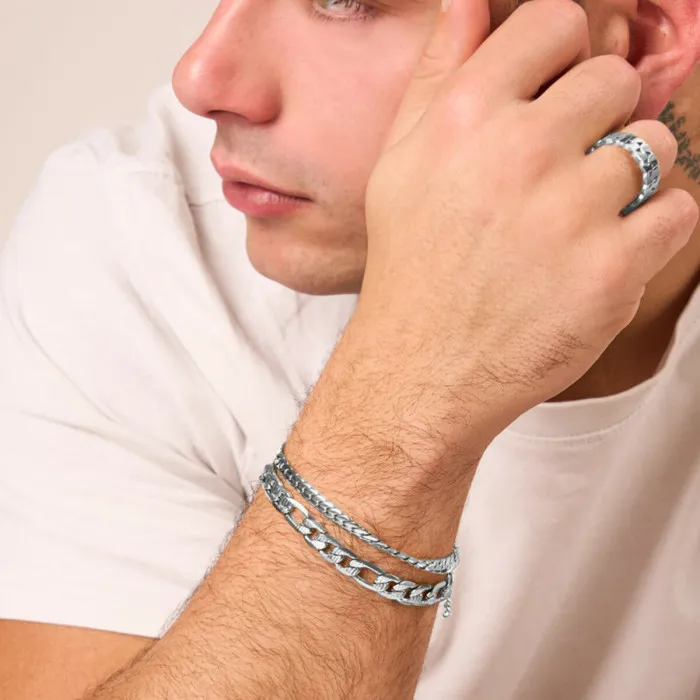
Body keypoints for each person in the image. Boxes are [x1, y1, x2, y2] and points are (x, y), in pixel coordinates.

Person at [1, 0, 700, 697]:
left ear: (639, 41)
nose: (201, 78)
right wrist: (415, 382)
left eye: (343, 2)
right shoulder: (140, 248)